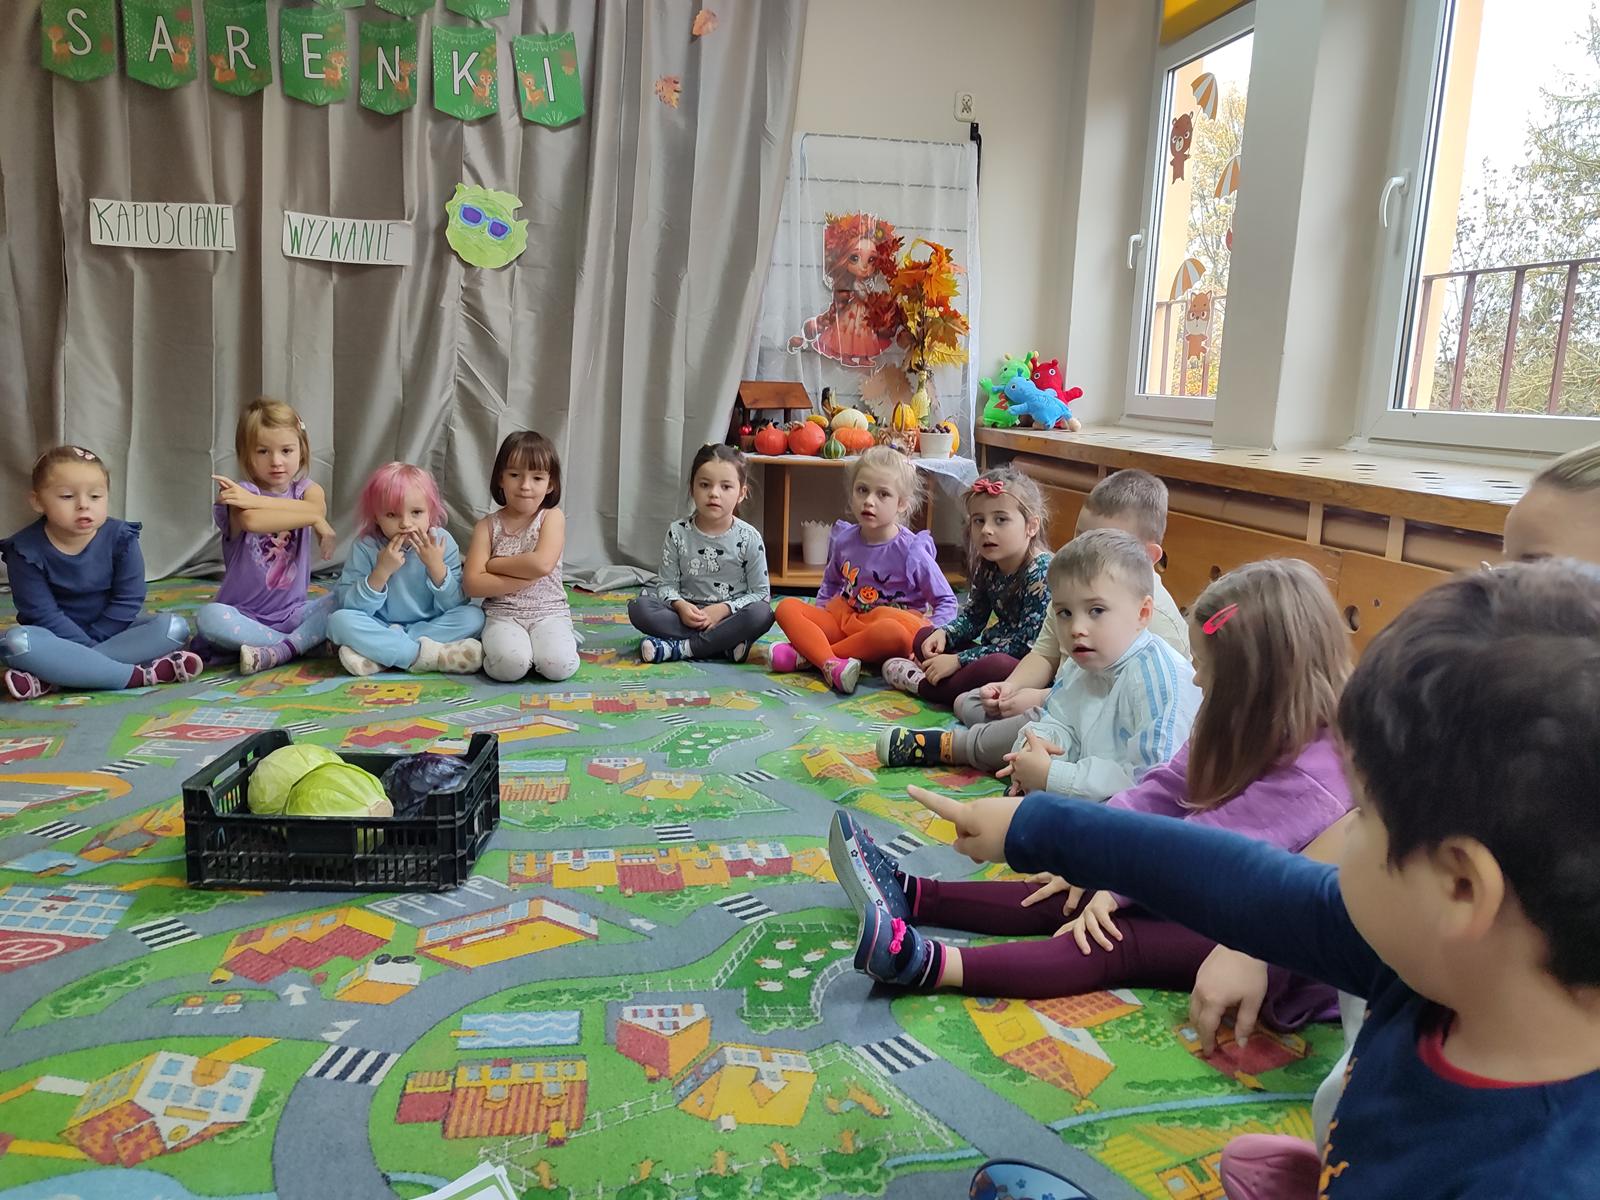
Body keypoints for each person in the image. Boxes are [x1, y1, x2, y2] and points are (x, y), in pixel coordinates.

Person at [914, 559, 1600, 1199]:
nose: (1344, 831)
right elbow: (1240, 880)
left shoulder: (1536, 1176)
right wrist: (1040, 829)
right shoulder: (1430, 959)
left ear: (1460, 888)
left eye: (1366, 819)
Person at [1203, 436, 1600, 1199]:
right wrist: (1249, 940)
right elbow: (1347, 841)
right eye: (1499, 564)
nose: (1492, 591)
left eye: (1533, 569)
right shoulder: (1494, 716)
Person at [837, 559, 1347, 1020]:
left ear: (1253, 683)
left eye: (1206, 670)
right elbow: (1163, 790)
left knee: (1111, 937)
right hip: (1211, 884)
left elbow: (1210, 850)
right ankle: (915, 895)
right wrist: (1092, 857)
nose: (1195, 681)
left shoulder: (1315, 775)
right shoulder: (1238, 719)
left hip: (1271, 943)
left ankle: (926, 965)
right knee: (1066, 887)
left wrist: (1117, 883)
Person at [878, 529, 1199, 780]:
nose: (1076, 628)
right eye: (1064, 613)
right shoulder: (1084, 660)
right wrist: (1032, 754)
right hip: (1084, 776)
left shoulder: (1156, 678)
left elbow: (1148, 784)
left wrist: (1052, 776)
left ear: (1143, 613)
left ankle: (953, 743)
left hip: (1133, 813)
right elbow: (1058, 720)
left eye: (1096, 611)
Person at [943, 469, 1190, 761]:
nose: (1083, 553)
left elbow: (1125, 714)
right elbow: (1044, 653)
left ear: (1148, 556)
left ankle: (953, 746)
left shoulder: (1160, 624)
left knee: (1009, 735)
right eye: (1080, 537)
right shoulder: (1074, 589)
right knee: (968, 702)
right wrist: (1011, 687)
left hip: (1099, 725)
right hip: (1060, 702)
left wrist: (1041, 699)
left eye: (1103, 545)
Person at [1, 445, 200, 699]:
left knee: (174, 628)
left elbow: (128, 600)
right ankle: (135, 676)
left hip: (114, 632)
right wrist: (84, 645)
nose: (83, 505)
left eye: (95, 496)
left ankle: (57, 676)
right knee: (16, 644)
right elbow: (42, 613)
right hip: (53, 637)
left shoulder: (121, 538)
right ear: (38, 501)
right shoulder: (24, 550)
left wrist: (91, 645)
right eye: (67, 496)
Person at [770, 445, 957, 694]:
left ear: (902, 503)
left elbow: (946, 601)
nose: (869, 501)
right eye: (862, 490)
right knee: (786, 607)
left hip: (888, 629)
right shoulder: (844, 539)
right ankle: (831, 662)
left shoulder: (912, 550)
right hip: (847, 620)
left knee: (892, 633)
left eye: (883, 494)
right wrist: (819, 621)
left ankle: (812, 656)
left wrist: (934, 636)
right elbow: (831, 583)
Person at [879, 467, 1052, 706]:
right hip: (991, 648)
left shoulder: (1041, 572)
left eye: (1001, 520)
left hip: (1026, 666)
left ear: (1031, 526)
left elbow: (1025, 646)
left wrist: (959, 660)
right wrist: (945, 634)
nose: (986, 530)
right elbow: (973, 618)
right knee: (924, 637)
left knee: (997, 666)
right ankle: (947, 677)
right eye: (978, 520)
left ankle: (924, 686)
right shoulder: (988, 564)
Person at [195, 397, 338, 674]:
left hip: (293, 614)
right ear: (246, 454)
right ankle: (299, 644)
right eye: (263, 451)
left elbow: (315, 508)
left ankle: (279, 648)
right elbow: (253, 520)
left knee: (347, 596)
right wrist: (315, 519)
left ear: (302, 450)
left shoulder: (308, 490)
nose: (276, 461)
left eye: (286, 450)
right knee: (209, 617)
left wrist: (313, 514)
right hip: (242, 617)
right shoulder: (240, 494)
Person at [327, 462, 484, 676]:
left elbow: (456, 604)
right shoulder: (366, 545)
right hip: (380, 624)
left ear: (431, 512)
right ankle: (424, 656)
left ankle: (380, 654)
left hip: (430, 624)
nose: (405, 524)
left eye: (416, 512)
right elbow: (351, 606)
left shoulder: (442, 542)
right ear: (376, 517)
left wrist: (436, 567)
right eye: (392, 515)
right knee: (338, 621)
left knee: (474, 616)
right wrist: (381, 572)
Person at [628, 443, 774, 663]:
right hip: (685, 617)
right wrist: (681, 606)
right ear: (692, 489)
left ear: (742, 493)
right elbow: (666, 586)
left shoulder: (749, 537)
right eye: (705, 485)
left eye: (726, 487)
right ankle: (724, 644)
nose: (714, 493)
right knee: (639, 608)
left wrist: (723, 609)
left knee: (762, 614)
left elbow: (761, 594)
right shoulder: (677, 532)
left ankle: (683, 648)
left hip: (731, 617)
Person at [463, 431, 579, 683]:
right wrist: (527, 575)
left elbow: (542, 563)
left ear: (550, 484)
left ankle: (558, 642)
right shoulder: (487, 526)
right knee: (510, 666)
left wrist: (494, 564)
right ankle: (506, 649)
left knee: (558, 666)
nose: (525, 486)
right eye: (515, 475)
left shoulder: (551, 517)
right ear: (501, 479)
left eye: (537, 478)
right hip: (502, 614)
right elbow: (472, 584)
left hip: (549, 612)